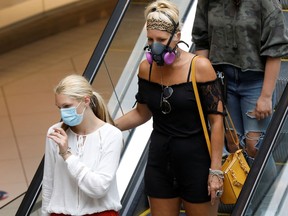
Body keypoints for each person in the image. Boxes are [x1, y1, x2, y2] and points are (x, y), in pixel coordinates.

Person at [115, 1, 225, 215]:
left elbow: (216, 120)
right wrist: (107, 126)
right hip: (159, 161)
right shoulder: (146, 68)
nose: (155, 45)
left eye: (161, 40)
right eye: (150, 39)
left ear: (177, 35)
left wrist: (216, 170)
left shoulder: (199, 67)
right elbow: (141, 113)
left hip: (196, 162)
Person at [192, 0, 288, 157]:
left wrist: (266, 96)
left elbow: (275, 49)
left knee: (255, 147)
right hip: (223, 81)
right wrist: (204, 88)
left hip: (255, 81)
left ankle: (270, 182)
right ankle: (241, 182)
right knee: (233, 145)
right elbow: (201, 41)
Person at [42, 74, 123, 216]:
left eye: (67, 106)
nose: (63, 112)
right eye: (59, 107)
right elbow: (49, 182)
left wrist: (67, 155)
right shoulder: (56, 132)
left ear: (86, 100)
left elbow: (99, 188)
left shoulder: (111, 135)